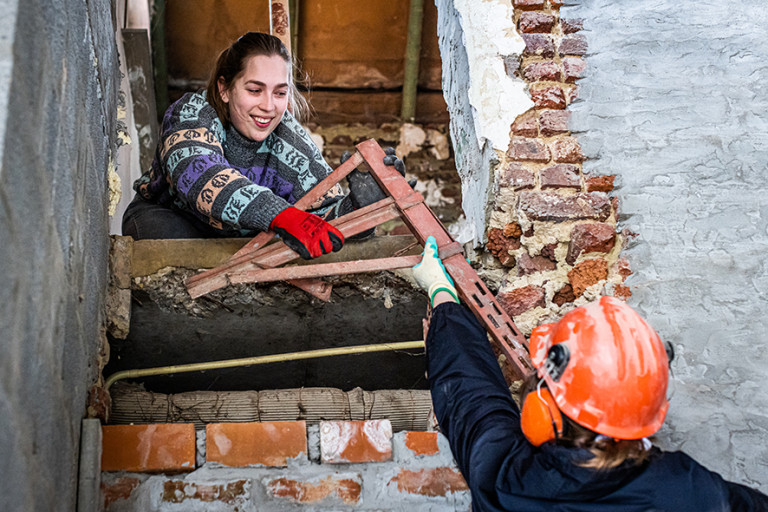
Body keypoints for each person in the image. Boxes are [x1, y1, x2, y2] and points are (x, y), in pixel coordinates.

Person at [412, 236, 768, 511]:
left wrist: (440, 290)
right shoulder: (695, 493)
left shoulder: (507, 482)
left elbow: (471, 397)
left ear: (544, 412)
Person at [122, 32, 404, 260]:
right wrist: (281, 215)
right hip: (174, 221)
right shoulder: (193, 112)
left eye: (280, 93)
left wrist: (360, 209)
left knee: (291, 252)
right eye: (254, 90)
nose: (268, 107)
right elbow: (199, 175)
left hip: (243, 243)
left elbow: (321, 214)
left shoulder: (291, 140)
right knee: (165, 236)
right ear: (225, 89)